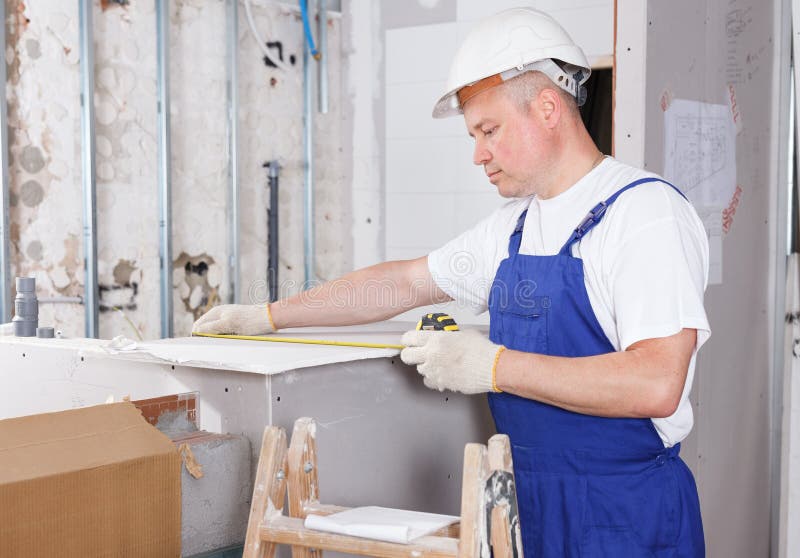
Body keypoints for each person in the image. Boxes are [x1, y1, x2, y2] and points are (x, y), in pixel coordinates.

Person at [194, 7, 710, 556]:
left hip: (623, 512)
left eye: (489, 130)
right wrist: (271, 315)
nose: (477, 154)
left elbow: (655, 382)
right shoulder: (513, 227)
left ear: (547, 107)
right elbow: (401, 283)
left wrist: (491, 365)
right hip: (525, 506)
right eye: (474, 135)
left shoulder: (643, 215)